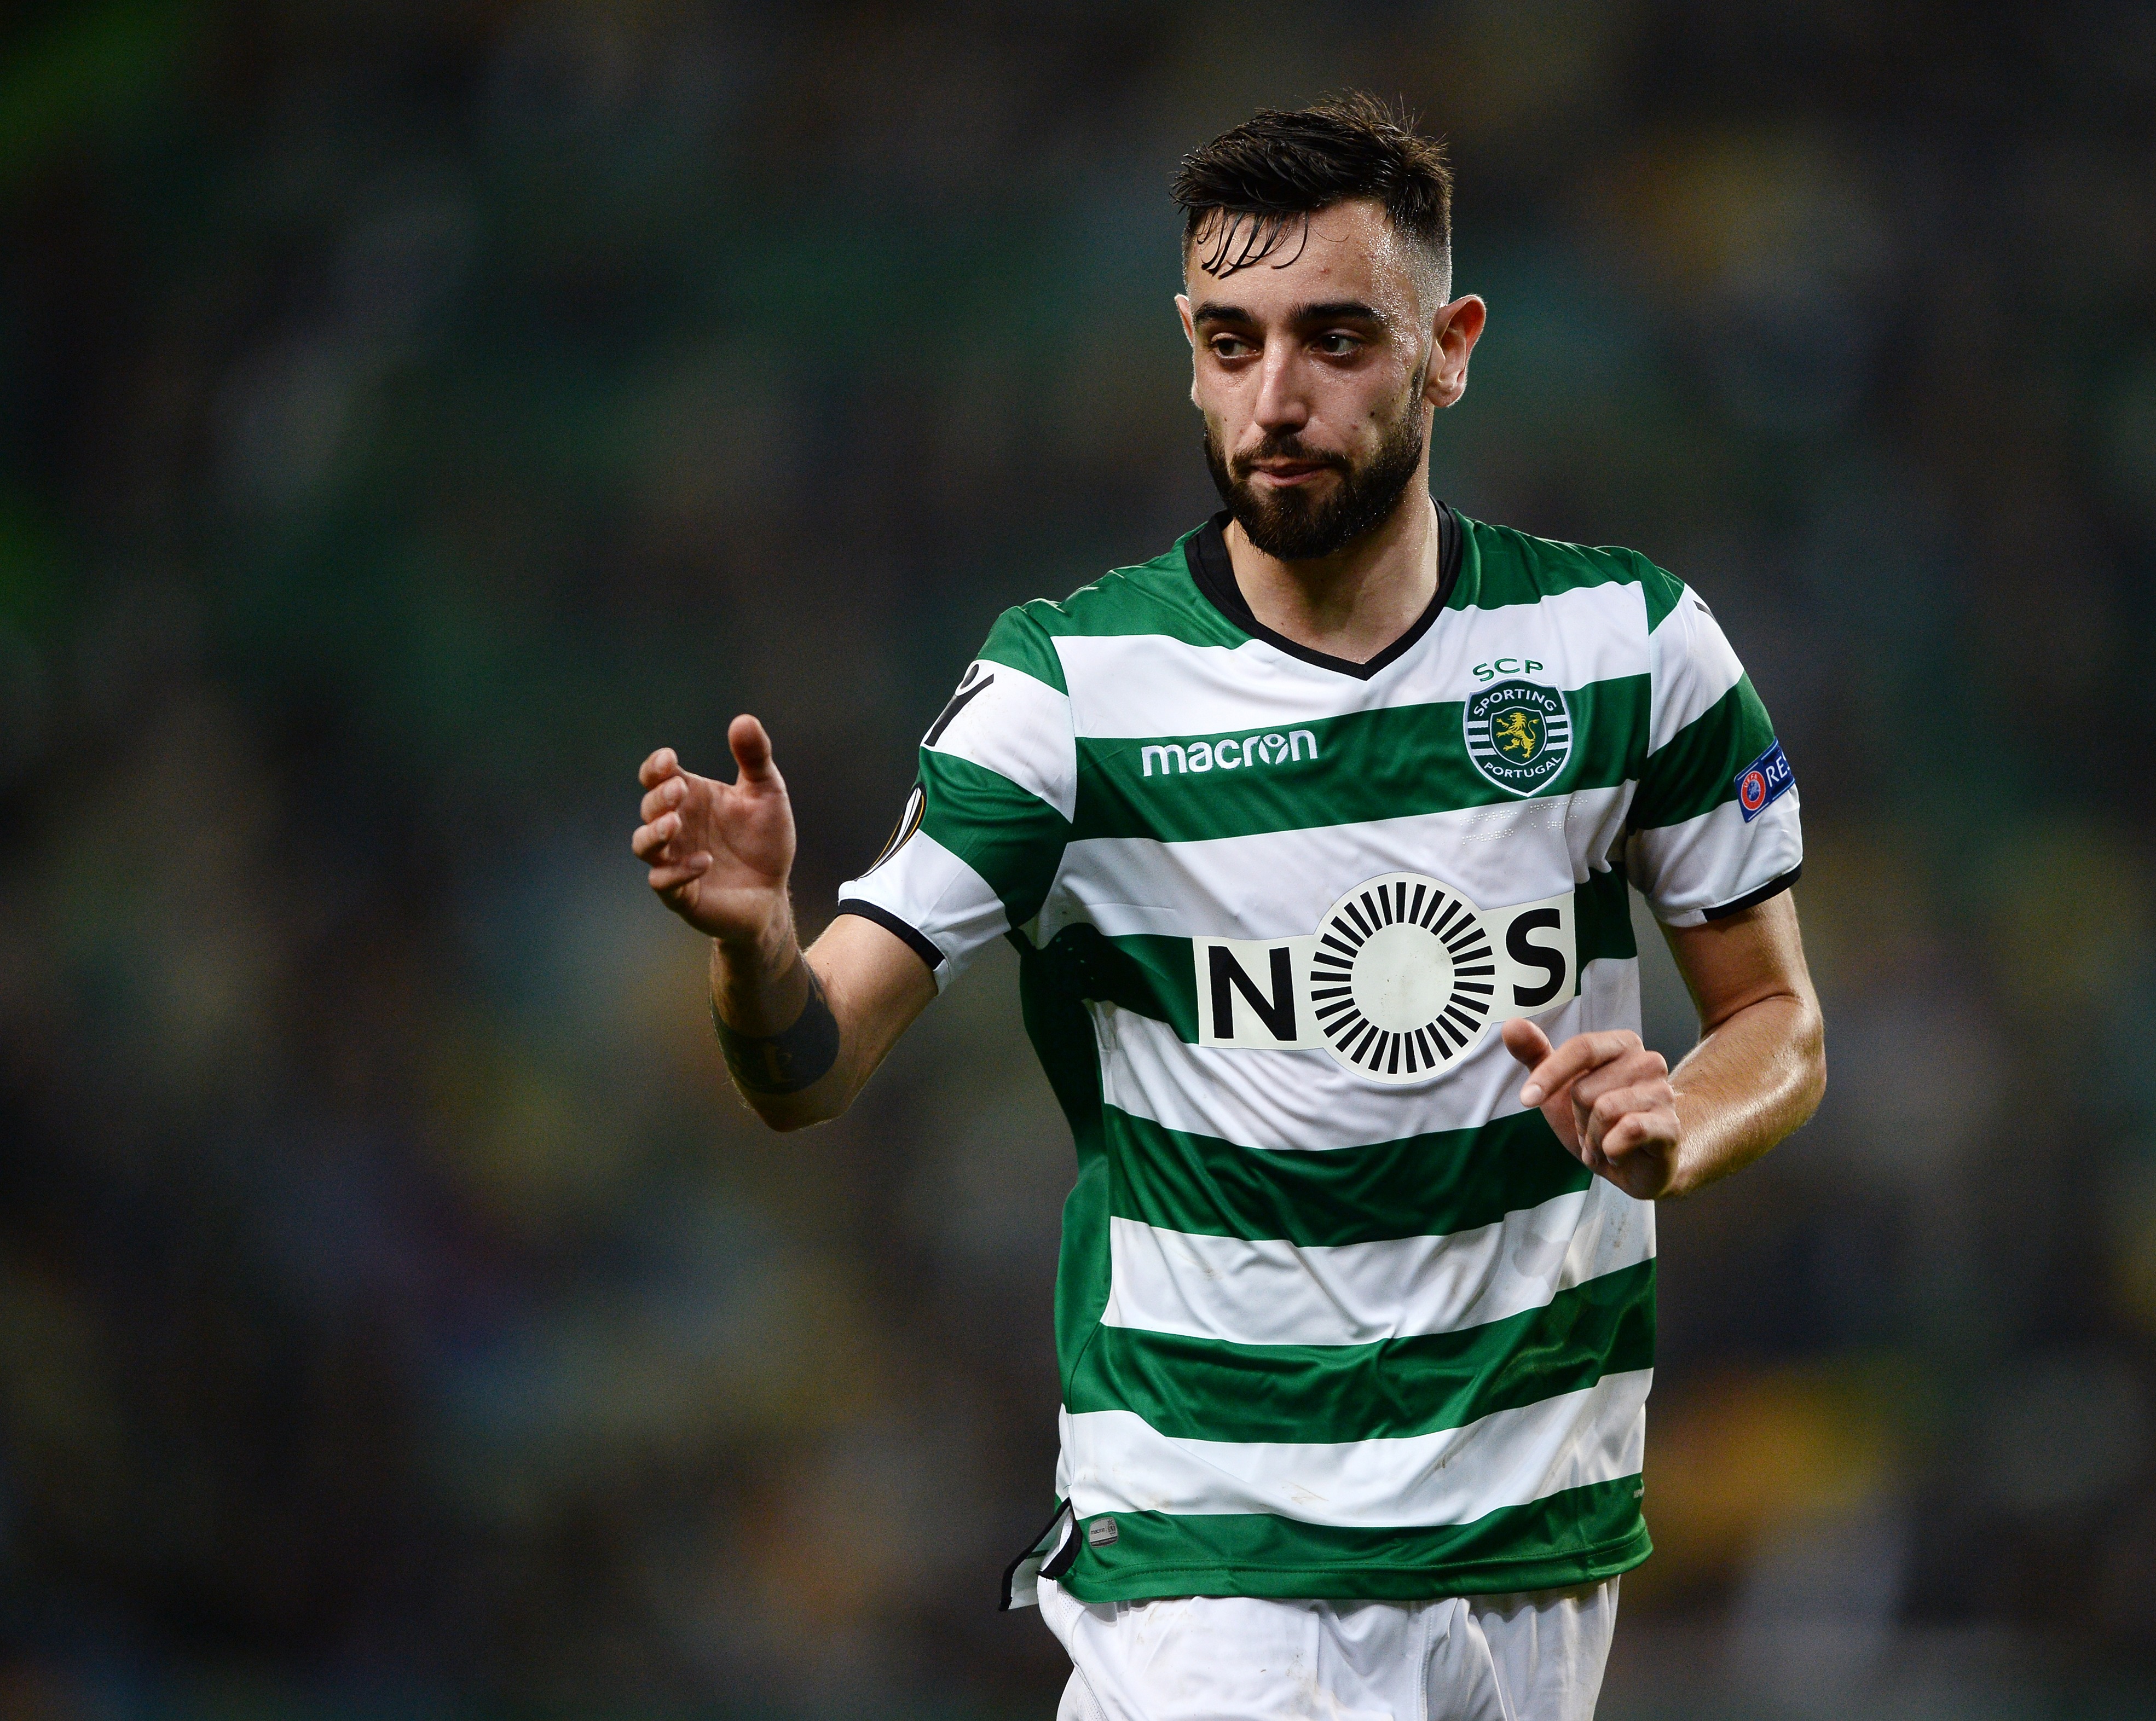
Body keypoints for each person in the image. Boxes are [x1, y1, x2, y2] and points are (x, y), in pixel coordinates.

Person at [632, 92, 1824, 1721]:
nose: (1275, 396)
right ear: (1186, 349)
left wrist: (1676, 1123)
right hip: (1223, 1566)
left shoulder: (1627, 649)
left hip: (1542, 1548)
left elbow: (1775, 1023)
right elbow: (808, 1063)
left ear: (1448, 346)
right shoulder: (1071, 690)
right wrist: (761, 942)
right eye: (1230, 339)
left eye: (1335, 339)